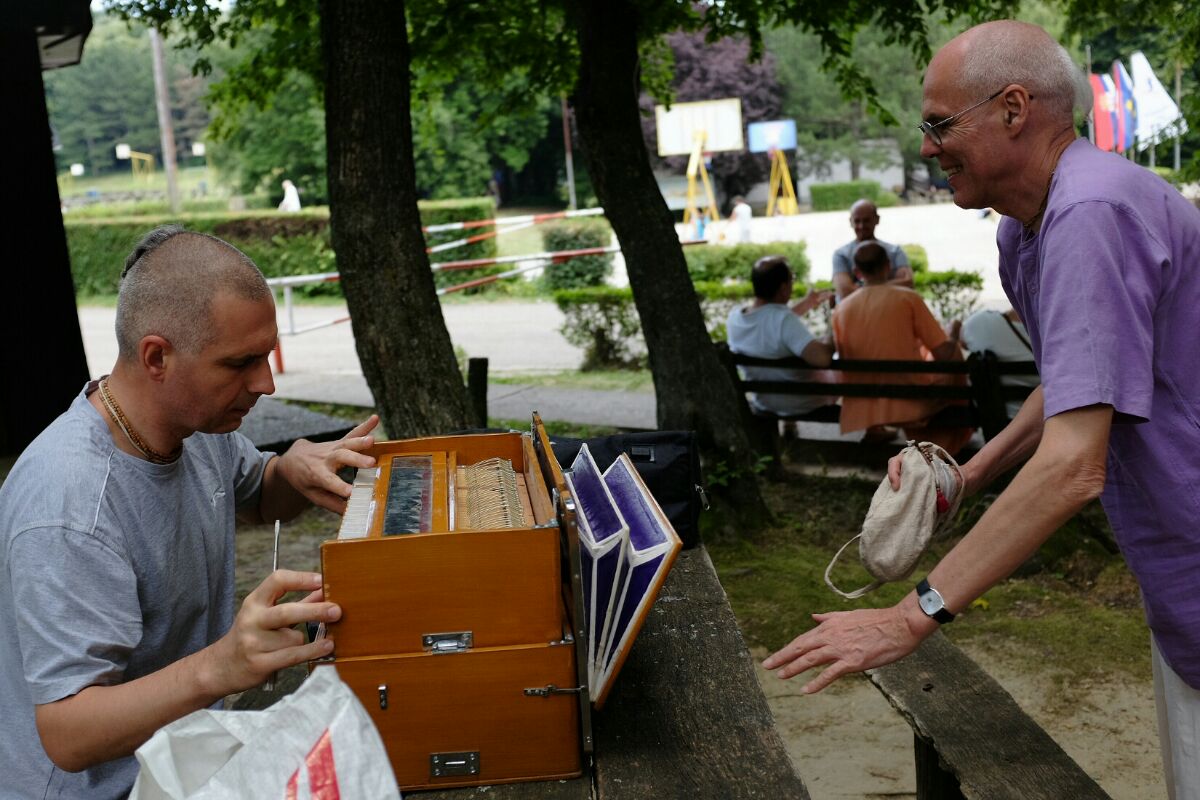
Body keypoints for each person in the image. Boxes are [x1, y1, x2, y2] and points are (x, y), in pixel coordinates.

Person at [763, 20, 1200, 798]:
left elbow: (1073, 466)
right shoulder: (1024, 231)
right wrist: (969, 474)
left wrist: (913, 616)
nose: (926, 147)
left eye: (938, 123)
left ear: (1013, 108)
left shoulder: (1090, 215)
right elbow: (1077, 383)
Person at [0, 226, 379, 797]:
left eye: (268, 355)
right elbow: (67, 734)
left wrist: (293, 469)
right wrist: (221, 666)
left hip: (186, 760)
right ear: (157, 357)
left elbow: (255, 496)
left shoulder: (198, 423)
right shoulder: (70, 504)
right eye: (241, 363)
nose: (267, 383)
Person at [831, 242, 973, 453]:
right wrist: (953, 332)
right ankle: (946, 441)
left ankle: (880, 430)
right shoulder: (908, 298)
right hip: (912, 402)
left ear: (857, 272)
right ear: (888, 266)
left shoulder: (841, 310)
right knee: (954, 356)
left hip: (863, 406)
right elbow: (943, 354)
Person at [726, 255, 836, 417]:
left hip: (764, 402)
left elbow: (772, 323)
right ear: (783, 288)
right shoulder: (783, 321)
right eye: (792, 280)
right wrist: (834, 320)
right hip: (803, 403)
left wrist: (806, 304)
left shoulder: (735, 318)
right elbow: (823, 358)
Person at [960, 307, 1038, 419]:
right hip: (1054, 427)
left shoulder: (978, 324)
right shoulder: (1064, 331)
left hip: (998, 426)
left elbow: (962, 341)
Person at [831, 199, 914, 301]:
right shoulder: (841, 255)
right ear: (850, 222)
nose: (861, 226)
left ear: (877, 219)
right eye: (857, 221)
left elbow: (907, 283)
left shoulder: (895, 251)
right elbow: (845, 291)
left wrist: (860, 288)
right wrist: (888, 286)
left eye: (866, 221)